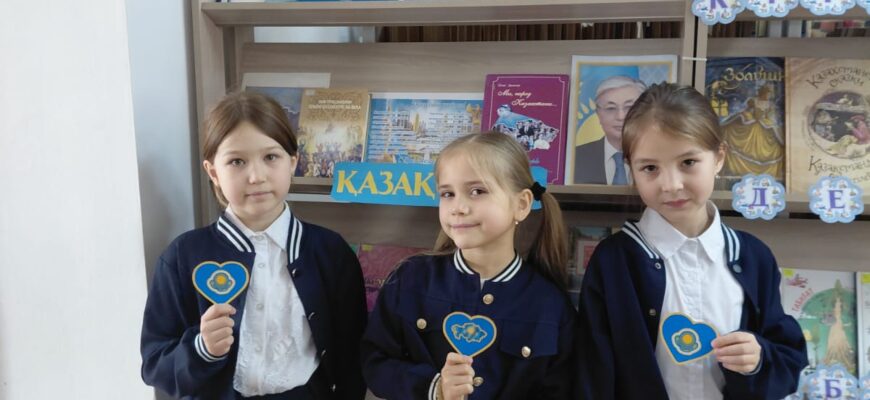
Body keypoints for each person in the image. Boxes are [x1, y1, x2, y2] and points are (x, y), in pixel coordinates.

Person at [576, 83, 807, 399]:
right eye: (650, 168)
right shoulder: (614, 261)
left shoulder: (754, 258)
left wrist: (758, 360)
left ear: (719, 157)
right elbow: (592, 370)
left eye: (688, 163)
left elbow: (787, 359)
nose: (671, 185)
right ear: (631, 169)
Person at [140, 92, 367, 400]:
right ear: (213, 172)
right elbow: (155, 365)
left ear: (293, 161)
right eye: (237, 161)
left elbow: (352, 356)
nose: (256, 176)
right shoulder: (183, 257)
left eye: (270, 157)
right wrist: (201, 349)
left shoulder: (331, 253)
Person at [361, 132, 577, 399]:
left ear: (521, 205)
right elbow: (375, 361)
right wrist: (434, 387)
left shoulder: (550, 305)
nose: (458, 207)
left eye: (477, 191)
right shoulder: (410, 278)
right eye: (447, 194)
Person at [573, 75, 646, 185]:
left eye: (629, 107)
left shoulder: (658, 156)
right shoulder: (576, 158)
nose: (620, 116)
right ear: (598, 114)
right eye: (611, 108)